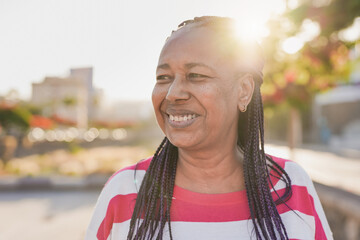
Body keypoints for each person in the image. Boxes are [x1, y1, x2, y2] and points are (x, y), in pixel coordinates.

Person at [85, 16, 333, 240]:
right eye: (164, 77)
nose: (173, 94)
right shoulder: (125, 189)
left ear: (244, 90)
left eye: (195, 76)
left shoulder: (291, 186)